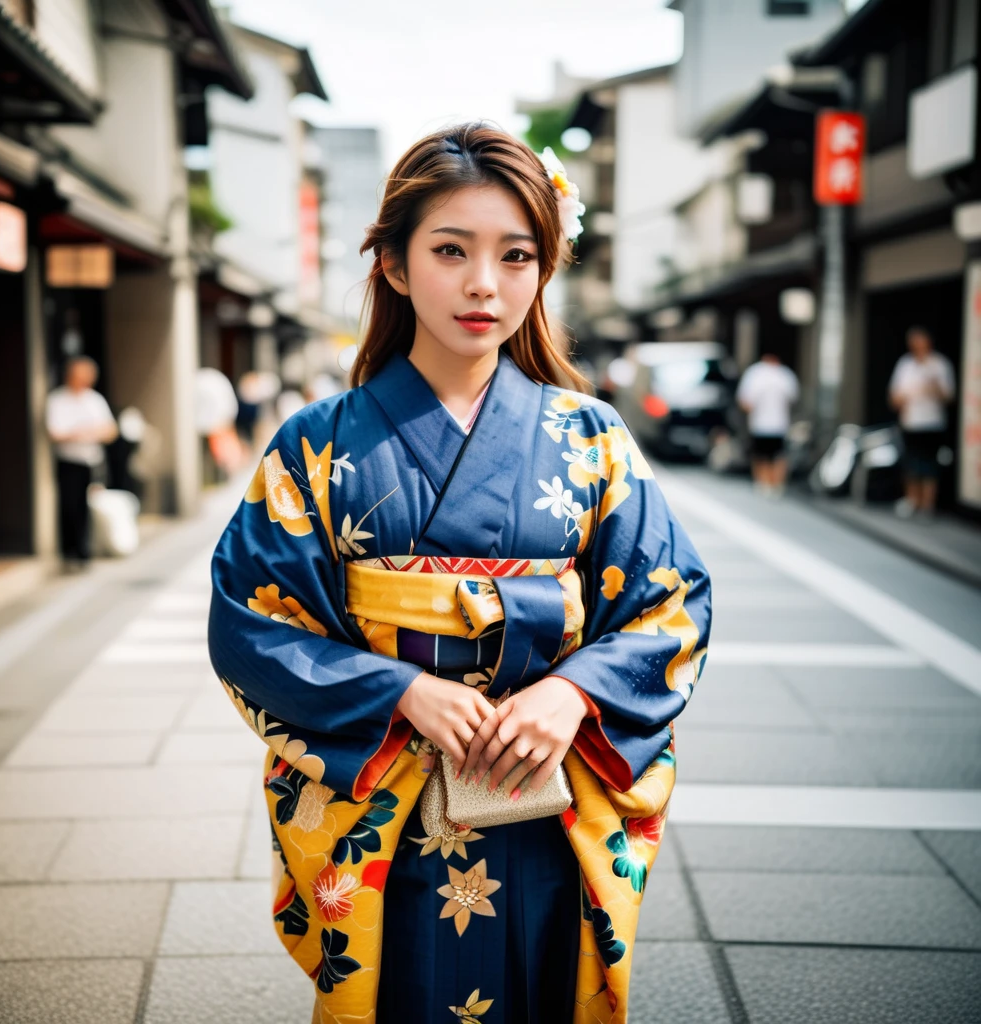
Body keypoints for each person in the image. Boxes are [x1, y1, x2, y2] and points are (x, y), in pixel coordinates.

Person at [208, 124, 711, 1024]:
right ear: (396, 265)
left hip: (543, 789)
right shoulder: (317, 444)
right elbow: (253, 620)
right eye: (452, 250)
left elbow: (670, 603)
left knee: (540, 981)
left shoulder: (590, 438)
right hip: (390, 800)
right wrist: (400, 692)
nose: (486, 283)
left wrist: (574, 696)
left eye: (517, 255)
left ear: (543, 270)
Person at [45, 356, 118, 570]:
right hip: (69, 460)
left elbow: (111, 430)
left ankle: (85, 551)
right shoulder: (57, 400)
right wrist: (85, 432)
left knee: (87, 507)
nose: (85, 380)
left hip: (92, 461)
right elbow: (55, 433)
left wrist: (86, 432)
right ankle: (70, 553)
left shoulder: (94, 399)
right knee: (69, 506)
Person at [888, 326, 955, 518]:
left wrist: (933, 387)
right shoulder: (905, 364)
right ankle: (912, 501)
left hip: (932, 423)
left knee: (930, 465)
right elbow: (894, 395)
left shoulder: (939, 364)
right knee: (910, 464)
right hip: (910, 422)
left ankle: (927, 505)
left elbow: (949, 396)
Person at [736, 349, 800, 497]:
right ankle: (776, 484)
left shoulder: (755, 374)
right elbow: (793, 399)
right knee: (778, 455)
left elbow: (745, 402)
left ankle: (763, 483)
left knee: (761, 455)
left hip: (760, 423)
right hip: (779, 423)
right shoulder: (785, 375)